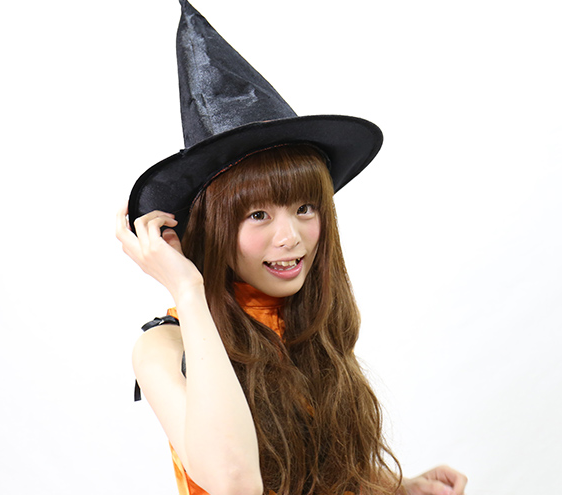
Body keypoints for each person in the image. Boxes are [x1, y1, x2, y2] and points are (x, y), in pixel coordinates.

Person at [116, 2, 468, 495]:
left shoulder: (306, 322)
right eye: (257, 215)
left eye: (304, 208)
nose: (291, 238)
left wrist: (398, 486)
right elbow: (235, 482)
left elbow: (312, 469)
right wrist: (188, 289)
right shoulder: (165, 348)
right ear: (213, 229)